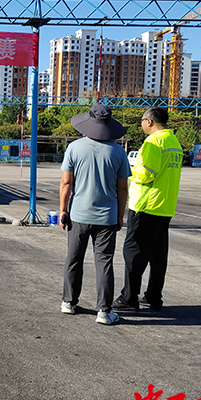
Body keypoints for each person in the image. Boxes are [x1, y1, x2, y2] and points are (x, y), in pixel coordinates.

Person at [59, 104, 131, 325]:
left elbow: (66, 183)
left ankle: (69, 303)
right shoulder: (118, 152)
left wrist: (63, 210)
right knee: (104, 263)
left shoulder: (74, 148)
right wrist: (120, 215)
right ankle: (104, 312)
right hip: (107, 217)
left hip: (79, 215)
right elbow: (122, 188)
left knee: (74, 259)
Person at [113, 107, 182, 313]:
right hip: (165, 206)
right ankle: (153, 297)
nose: (141, 124)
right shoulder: (173, 142)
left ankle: (129, 298)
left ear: (149, 121)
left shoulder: (153, 142)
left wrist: (127, 173)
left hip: (146, 205)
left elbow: (145, 174)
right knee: (158, 256)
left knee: (134, 252)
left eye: (142, 120)